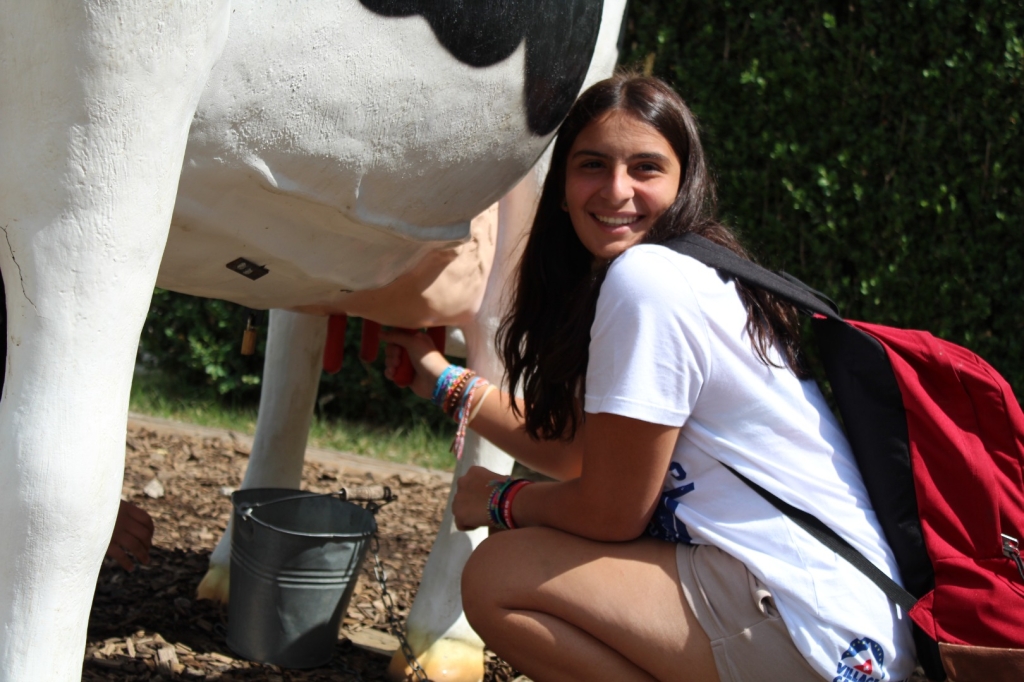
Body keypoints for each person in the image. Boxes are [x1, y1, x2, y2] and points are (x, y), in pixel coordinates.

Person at [381, 73, 915, 682]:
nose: (617, 190)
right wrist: (442, 379)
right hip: (845, 628)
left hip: (805, 625)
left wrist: (501, 500)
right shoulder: (692, 274)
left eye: (645, 168)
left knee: (498, 576)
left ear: (683, 182)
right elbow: (586, 457)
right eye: (592, 165)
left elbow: (612, 512)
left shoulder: (648, 282)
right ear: (561, 187)